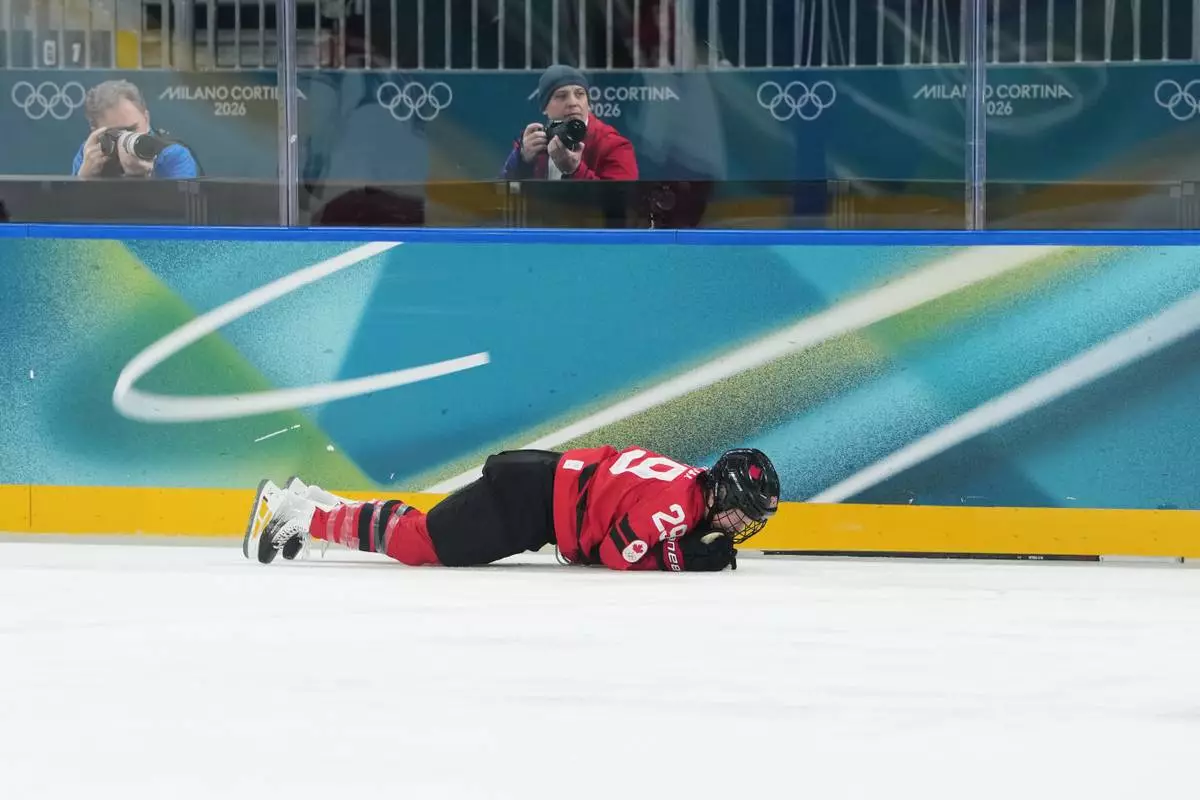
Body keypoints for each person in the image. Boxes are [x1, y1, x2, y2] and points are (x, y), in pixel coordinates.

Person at [244, 446, 779, 573]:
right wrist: (680, 559)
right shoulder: (678, 505)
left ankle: (317, 502)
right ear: (722, 494)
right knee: (420, 544)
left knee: (422, 533)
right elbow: (618, 553)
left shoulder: (686, 479)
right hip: (533, 504)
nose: (738, 523)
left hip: (540, 486)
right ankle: (295, 515)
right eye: (739, 512)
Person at [501, 65, 639, 182]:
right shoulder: (535, 143)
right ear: (544, 108)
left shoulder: (614, 146)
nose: (573, 103)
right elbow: (503, 196)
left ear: (589, 105)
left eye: (579, 94)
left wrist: (575, 171)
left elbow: (623, 204)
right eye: (561, 96)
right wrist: (522, 160)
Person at [73, 80, 200, 179]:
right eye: (115, 134)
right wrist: (84, 178)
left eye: (132, 130)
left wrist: (145, 176)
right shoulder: (91, 155)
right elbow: (72, 210)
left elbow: (181, 209)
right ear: (95, 132)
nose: (125, 138)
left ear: (146, 119)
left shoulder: (172, 155)